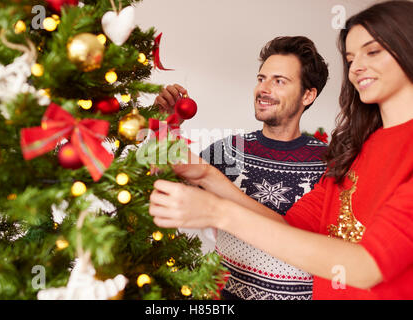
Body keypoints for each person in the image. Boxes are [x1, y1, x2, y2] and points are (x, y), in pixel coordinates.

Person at [149, 0, 413, 300]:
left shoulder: (327, 157)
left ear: (308, 95)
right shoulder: (354, 152)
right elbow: (289, 225)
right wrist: (204, 171)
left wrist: (219, 212)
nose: (356, 68)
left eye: (373, 51)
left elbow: (367, 266)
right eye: (350, 58)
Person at [154, 36, 329, 300]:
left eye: (279, 81)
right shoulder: (229, 150)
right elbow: (161, 188)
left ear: (308, 94)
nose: (264, 89)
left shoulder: (328, 163)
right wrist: (165, 125)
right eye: (261, 79)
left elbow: (312, 242)